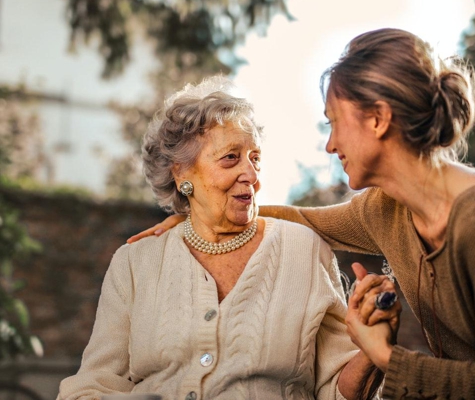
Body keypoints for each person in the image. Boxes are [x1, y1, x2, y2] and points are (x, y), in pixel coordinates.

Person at [129, 28, 475, 399]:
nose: (330, 145)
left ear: (377, 119)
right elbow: (304, 219)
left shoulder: (469, 223)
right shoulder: (384, 210)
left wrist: (385, 356)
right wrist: (200, 214)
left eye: (334, 122)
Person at [58, 76, 391, 399]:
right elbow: (95, 384)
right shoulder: (134, 263)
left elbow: (338, 391)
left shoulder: (305, 250)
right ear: (181, 172)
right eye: (231, 157)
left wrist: (372, 350)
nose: (251, 175)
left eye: (255, 158)